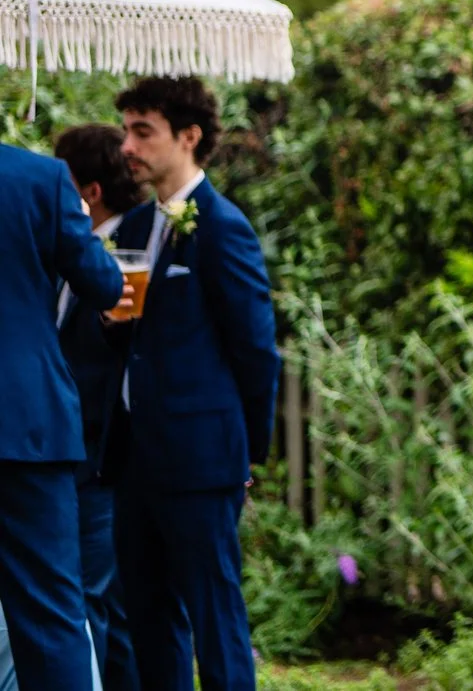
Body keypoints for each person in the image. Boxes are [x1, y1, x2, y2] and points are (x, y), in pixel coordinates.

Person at [114, 76, 279, 691]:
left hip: (202, 461)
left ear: (189, 137)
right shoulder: (132, 228)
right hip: (135, 461)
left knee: (215, 617)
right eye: (127, 130)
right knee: (147, 618)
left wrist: (244, 454)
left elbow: (257, 352)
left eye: (142, 131)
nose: (128, 145)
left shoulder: (222, 228)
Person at [0, 134, 126, 691]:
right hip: (28, 429)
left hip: (31, 429)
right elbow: (103, 285)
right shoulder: (39, 179)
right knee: (51, 612)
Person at [52, 124, 150, 691]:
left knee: (96, 600)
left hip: (104, 459)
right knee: (98, 601)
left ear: (87, 192)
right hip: (71, 456)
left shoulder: (124, 257)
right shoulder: (70, 256)